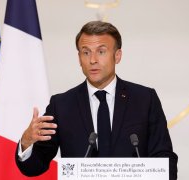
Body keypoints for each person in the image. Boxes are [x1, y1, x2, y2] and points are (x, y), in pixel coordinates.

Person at [15, 21, 178, 179]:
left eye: (101, 51)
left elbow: (164, 159)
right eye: (86, 52)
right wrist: (26, 142)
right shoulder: (62, 105)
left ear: (117, 56)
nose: (93, 60)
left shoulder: (144, 99)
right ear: (79, 58)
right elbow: (34, 167)